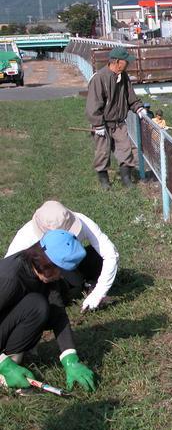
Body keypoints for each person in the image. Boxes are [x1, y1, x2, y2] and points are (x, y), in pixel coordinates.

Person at [0, 230, 96, 391]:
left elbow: (58, 314)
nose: (61, 276)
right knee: (36, 304)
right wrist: (4, 365)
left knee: (38, 306)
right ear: (46, 263)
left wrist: (70, 358)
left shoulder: (44, 274)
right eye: (61, 270)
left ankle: (13, 360)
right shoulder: (8, 279)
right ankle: (6, 371)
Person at [5, 200, 119, 312]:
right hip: (48, 278)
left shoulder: (82, 221)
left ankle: (88, 286)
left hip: (72, 268)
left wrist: (99, 293)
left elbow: (110, 254)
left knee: (96, 256)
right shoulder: (26, 237)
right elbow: (10, 271)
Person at [85, 46, 147, 190]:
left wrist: (139, 108)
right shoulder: (99, 78)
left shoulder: (123, 76)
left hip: (119, 122)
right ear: (117, 61)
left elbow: (130, 96)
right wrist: (98, 124)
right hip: (102, 124)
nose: (128, 64)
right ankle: (104, 181)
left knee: (125, 150)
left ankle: (126, 179)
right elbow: (92, 104)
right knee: (102, 152)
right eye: (126, 61)